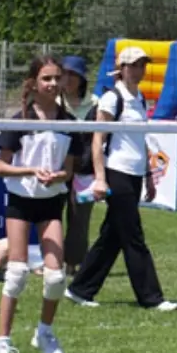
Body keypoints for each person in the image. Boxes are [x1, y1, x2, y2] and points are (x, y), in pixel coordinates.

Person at [66, 47, 177, 311]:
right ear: (123, 68)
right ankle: (152, 297)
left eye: (143, 65)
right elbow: (98, 141)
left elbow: (140, 141)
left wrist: (149, 175)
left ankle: (80, 289)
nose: (141, 70)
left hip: (135, 173)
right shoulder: (111, 99)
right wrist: (101, 179)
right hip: (117, 173)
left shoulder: (139, 98)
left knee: (112, 236)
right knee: (133, 236)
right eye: (136, 65)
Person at [0, 56, 84, 353]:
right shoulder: (20, 120)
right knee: (16, 273)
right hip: (21, 202)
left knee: (56, 276)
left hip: (51, 203)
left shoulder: (69, 124)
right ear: (33, 83)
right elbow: (1, 167)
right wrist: (30, 171)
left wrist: (58, 176)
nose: (53, 84)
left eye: (58, 78)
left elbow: (68, 172)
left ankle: (44, 331)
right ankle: (2, 342)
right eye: (46, 78)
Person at [59, 55, 97, 276]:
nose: (68, 79)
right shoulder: (53, 103)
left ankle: (74, 261)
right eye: (65, 73)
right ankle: (50, 259)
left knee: (80, 218)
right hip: (57, 169)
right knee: (51, 216)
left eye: (74, 74)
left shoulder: (95, 104)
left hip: (85, 170)